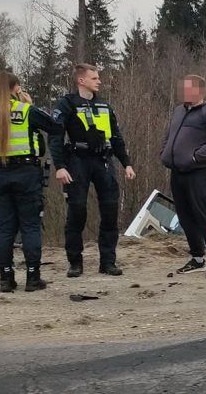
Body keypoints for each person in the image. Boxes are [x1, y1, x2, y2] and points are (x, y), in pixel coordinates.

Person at [0, 71, 64, 292]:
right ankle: (33, 277)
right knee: (30, 225)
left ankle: (5, 278)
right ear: (17, 88)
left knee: (5, 227)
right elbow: (55, 126)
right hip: (26, 173)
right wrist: (30, 105)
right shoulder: (26, 110)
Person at [50, 64, 135, 278]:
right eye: (94, 78)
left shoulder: (105, 105)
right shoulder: (67, 103)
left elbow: (115, 137)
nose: (99, 81)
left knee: (110, 210)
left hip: (103, 160)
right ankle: (75, 263)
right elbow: (56, 136)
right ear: (81, 80)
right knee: (77, 211)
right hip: (77, 160)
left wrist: (126, 163)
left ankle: (108, 262)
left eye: (99, 77)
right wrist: (59, 166)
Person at [161, 75, 206, 279]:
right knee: (185, 217)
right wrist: (165, 152)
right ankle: (197, 258)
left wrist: (196, 156)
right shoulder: (179, 111)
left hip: (200, 173)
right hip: (177, 173)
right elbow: (169, 135)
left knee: (204, 217)